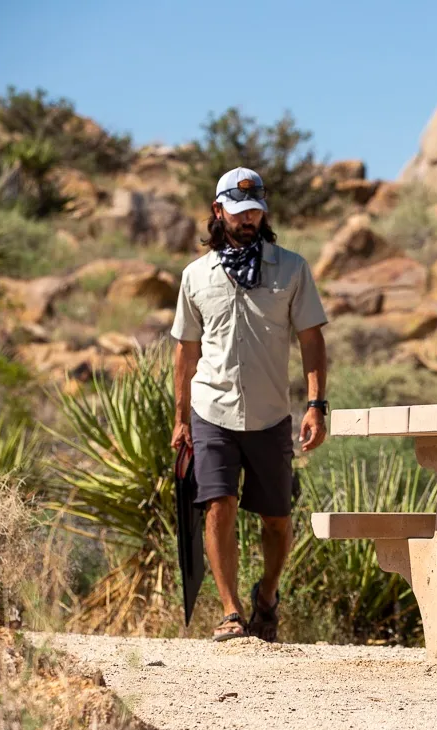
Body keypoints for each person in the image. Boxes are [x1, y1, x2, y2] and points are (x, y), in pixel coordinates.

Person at [170, 166, 329, 643]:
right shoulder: (196, 276)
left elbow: (311, 340)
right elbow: (185, 350)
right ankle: (231, 611)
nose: (247, 219)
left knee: (278, 520)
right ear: (218, 211)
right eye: (238, 212)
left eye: (255, 211)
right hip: (211, 409)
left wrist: (317, 404)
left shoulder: (292, 268)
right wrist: (180, 418)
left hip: (270, 414)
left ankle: (267, 598)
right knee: (218, 504)